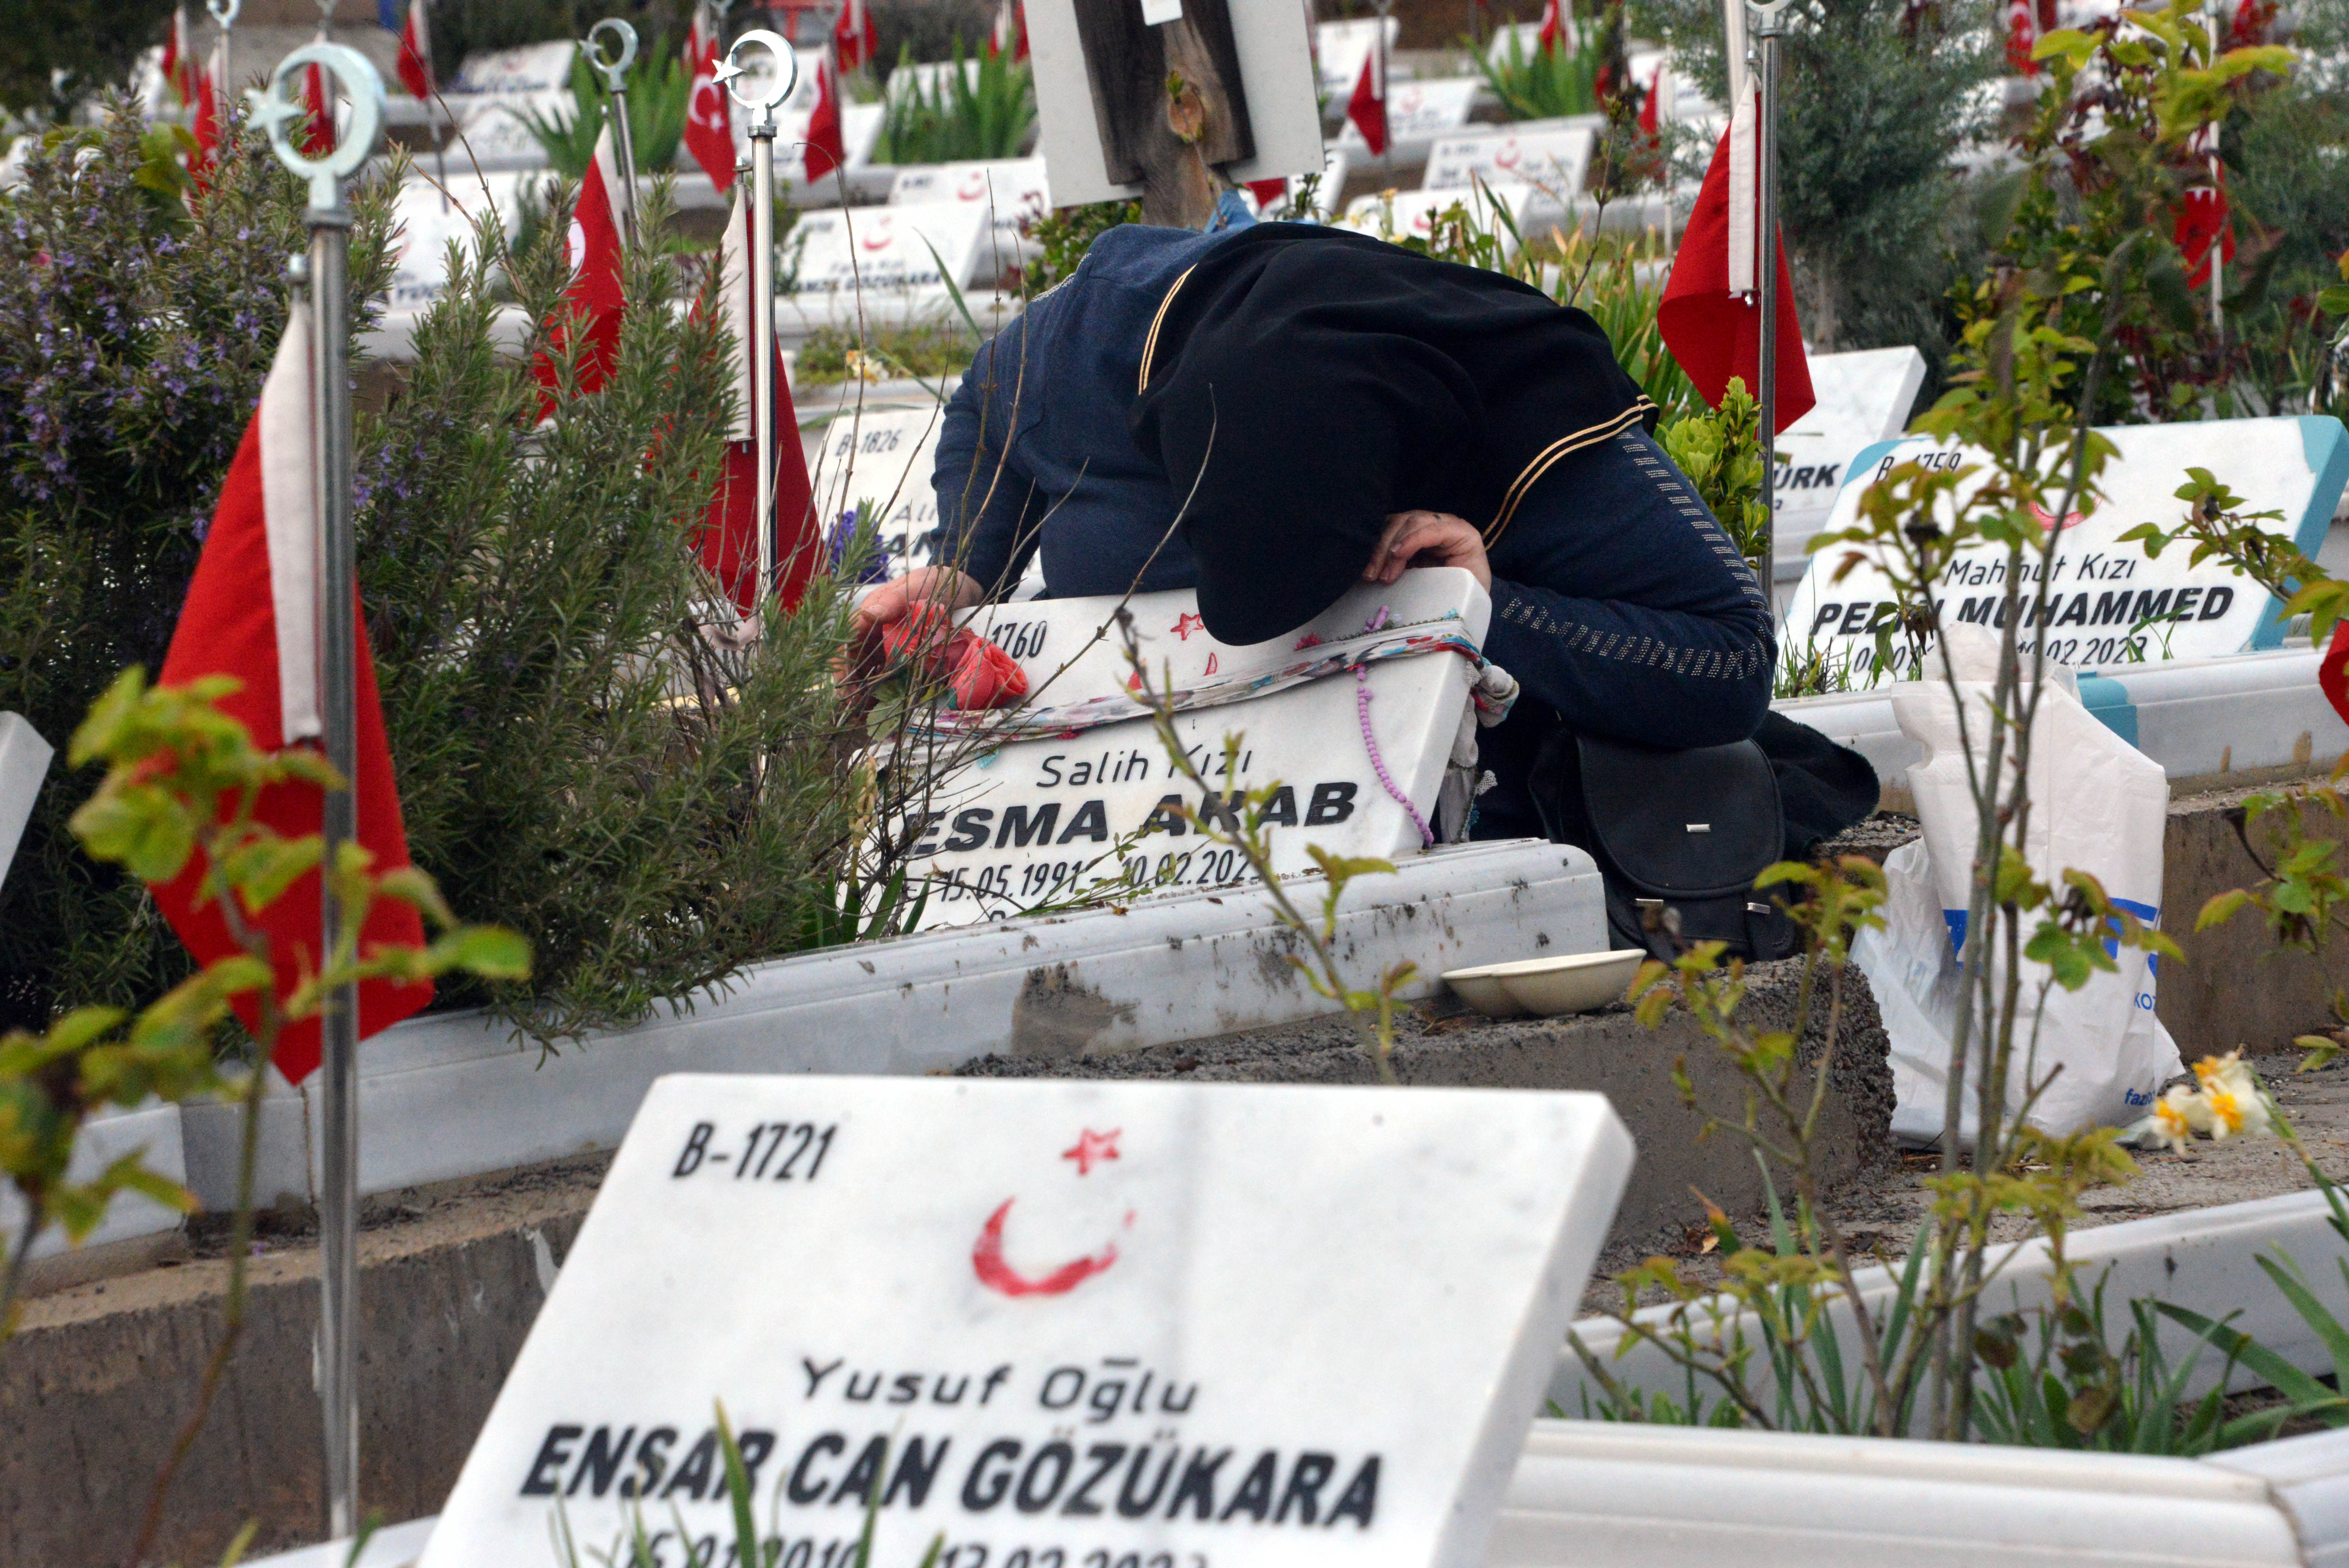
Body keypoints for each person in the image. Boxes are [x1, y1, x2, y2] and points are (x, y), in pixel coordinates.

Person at [854, 217, 1777, 842]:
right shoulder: (1074, 355)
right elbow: (985, 402)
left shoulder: (1529, 411)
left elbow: (1731, 664)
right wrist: (966, 572)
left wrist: (1471, 605)